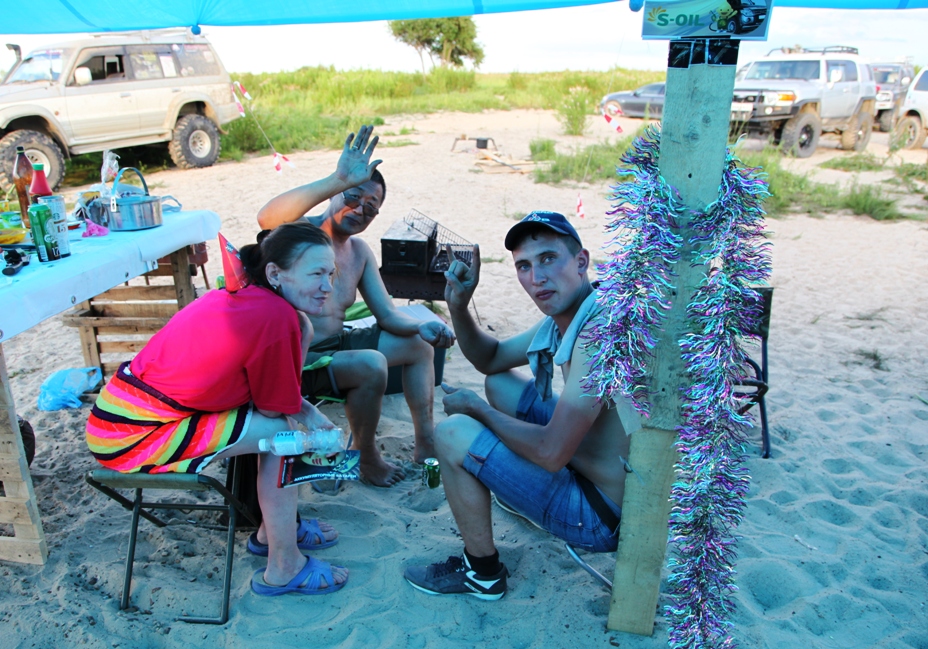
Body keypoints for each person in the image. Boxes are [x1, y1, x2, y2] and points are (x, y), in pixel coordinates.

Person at [86, 222, 348, 597]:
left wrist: (309, 415)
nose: (328, 286)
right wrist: (311, 421)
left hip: (118, 417)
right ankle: (284, 565)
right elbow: (273, 410)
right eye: (317, 274)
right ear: (275, 273)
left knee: (282, 427)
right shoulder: (274, 316)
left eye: (331, 274)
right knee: (280, 437)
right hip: (131, 435)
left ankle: (274, 532)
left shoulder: (253, 297)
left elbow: (279, 395)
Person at [404, 212, 630, 600]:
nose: (536, 277)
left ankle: (482, 574)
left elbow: (551, 452)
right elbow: (490, 359)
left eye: (548, 259)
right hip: (597, 470)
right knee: (501, 384)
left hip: (600, 514)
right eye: (524, 266)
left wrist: (479, 410)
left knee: (453, 433)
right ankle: (511, 485)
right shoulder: (580, 312)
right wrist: (459, 307)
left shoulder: (596, 334)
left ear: (581, 261)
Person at [257, 125, 455, 487]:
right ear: (335, 194)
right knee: (371, 363)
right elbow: (267, 218)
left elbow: (388, 315)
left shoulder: (359, 252)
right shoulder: (300, 234)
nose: (360, 209)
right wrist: (338, 179)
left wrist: (421, 327)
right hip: (299, 357)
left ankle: (425, 441)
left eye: (371, 207)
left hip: (337, 344)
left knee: (419, 346)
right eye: (353, 196)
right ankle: (366, 456)